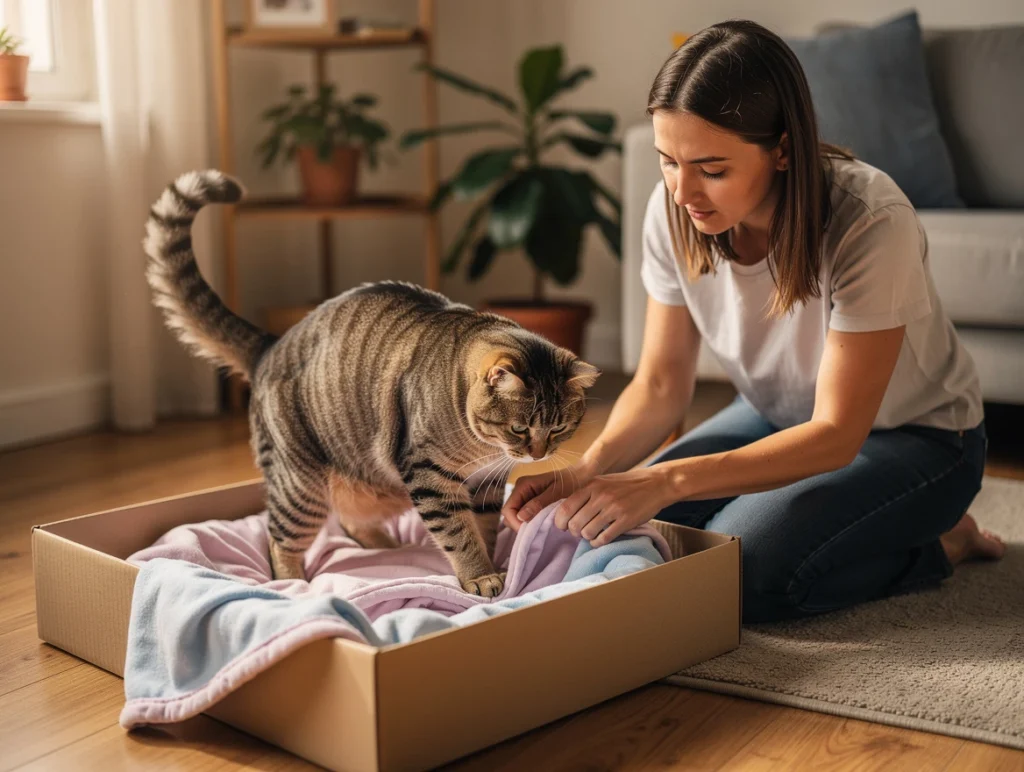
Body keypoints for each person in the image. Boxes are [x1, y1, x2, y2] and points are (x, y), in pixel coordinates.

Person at [501, 20, 1005, 624]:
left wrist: (668, 479)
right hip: (779, 416)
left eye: (712, 169)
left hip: (921, 440)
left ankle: (943, 543)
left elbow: (838, 433)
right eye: (668, 162)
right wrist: (586, 470)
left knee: (745, 572)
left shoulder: (869, 220)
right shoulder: (675, 212)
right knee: (615, 530)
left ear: (783, 149)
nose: (684, 191)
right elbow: (662, 386)